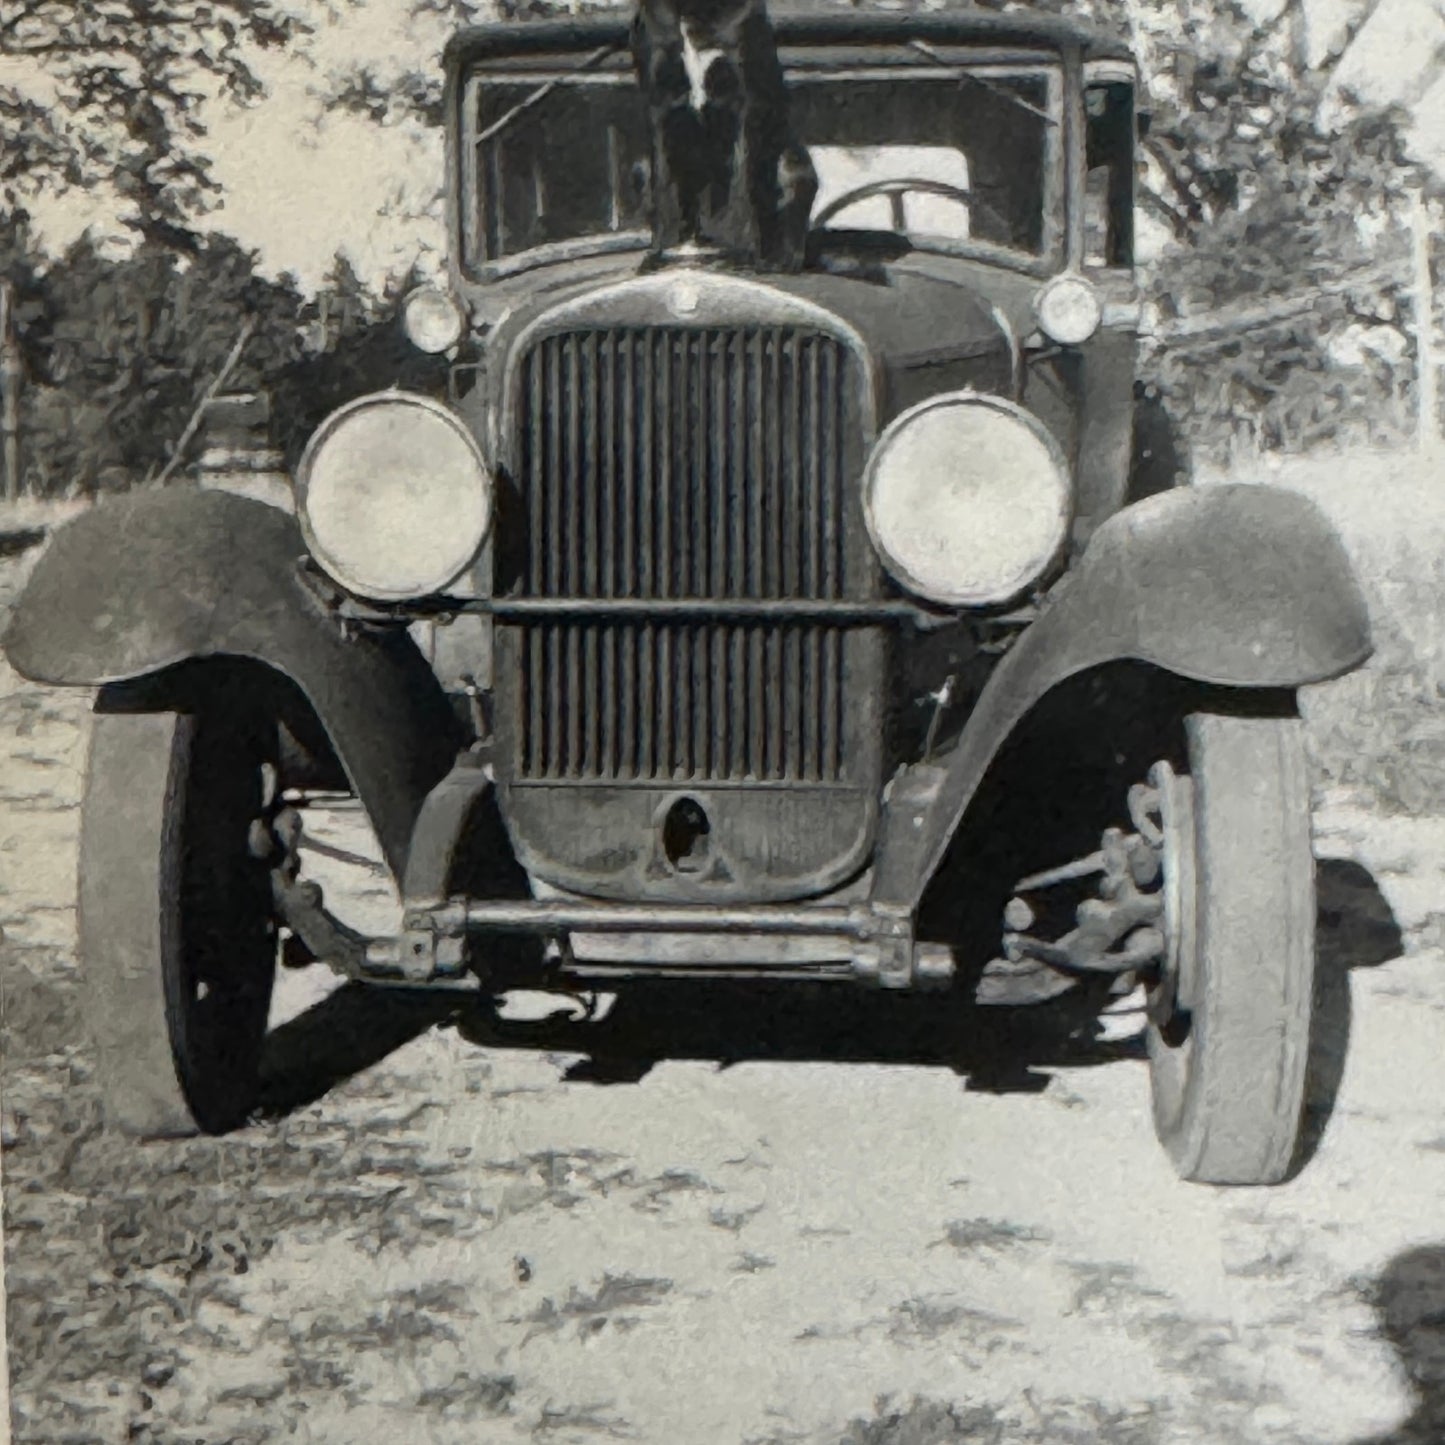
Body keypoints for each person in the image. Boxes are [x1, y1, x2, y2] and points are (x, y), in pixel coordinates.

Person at [631, 0, 815, 270]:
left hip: (753, 220)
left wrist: (743, 253)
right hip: (687, 210)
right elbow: (659, 126)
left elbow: (758, 130)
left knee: (784, 167)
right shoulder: (651, 21)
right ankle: (669, 243)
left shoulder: (746, 19)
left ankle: (752, 253)